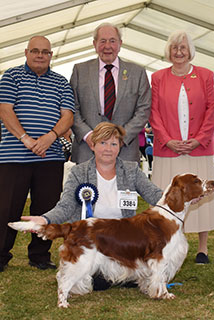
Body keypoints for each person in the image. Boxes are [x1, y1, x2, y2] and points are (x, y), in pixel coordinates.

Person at [21, 122, 163, 289]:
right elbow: (65, 206)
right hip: (91, 242)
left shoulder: (131, 170)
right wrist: (45, 219)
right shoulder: (79, 172)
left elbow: (155, 195)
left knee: (126, 279)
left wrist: (183, 197)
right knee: (100, 283)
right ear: (93, 145)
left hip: (123, 242)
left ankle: (124, 270)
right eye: (103, 143)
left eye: (113, 144)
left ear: (120, 147)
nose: (108, 148)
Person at [0, 36, 75, 272]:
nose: (40, 55)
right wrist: (27, 139)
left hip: (49, 157)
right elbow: (5, 110)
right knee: (7, 207)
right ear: (26, 52)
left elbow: (68, 116)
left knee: (46, 208)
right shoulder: (11, 77)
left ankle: (40, 255)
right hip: (14, 157)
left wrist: (49, 137)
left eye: (45, 52)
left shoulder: (62, 82)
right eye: (35, 51)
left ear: (51, 55)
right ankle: (1, 255)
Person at [150, 30, 214, 264]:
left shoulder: (206, 75)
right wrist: (167, 139)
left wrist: (199, 139)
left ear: (190, 51)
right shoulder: (158, 77)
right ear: (168, 52)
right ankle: (163, 245)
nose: (179, 52)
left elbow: (212, 110)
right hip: (167, 149)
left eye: (183, 48)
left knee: (201, 196)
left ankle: (202, 249)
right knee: (165, 198)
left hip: (199, 149)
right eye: (175, 48)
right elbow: (154, 112)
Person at [70, 22, 151, 164]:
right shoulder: (79, 70)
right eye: (102, 41)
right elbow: (72, 108)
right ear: (94, 44)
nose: (107, 46)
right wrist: (89, 136)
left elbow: (143, 110)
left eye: (112, 41)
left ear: (120, 44)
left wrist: (120, 138)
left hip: (125, 152)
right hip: (87, 151)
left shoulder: (137, 72)